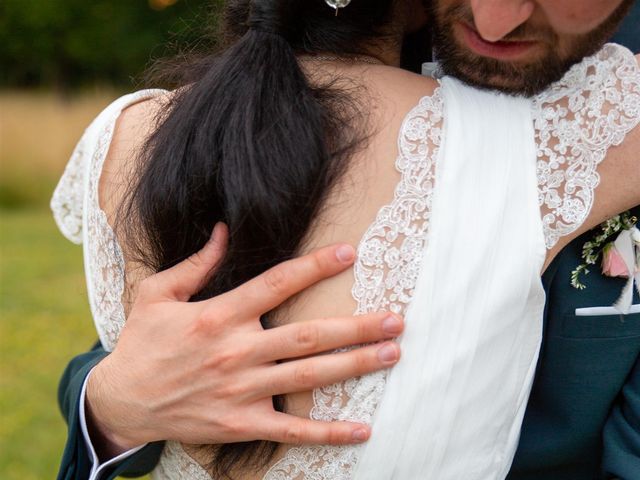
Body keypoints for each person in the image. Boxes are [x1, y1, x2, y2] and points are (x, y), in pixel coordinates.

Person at [52, 0, 640, 478]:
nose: (494, 22)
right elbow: (130, 355)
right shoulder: (578, 131)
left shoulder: (128, 130)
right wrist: (108, 405)